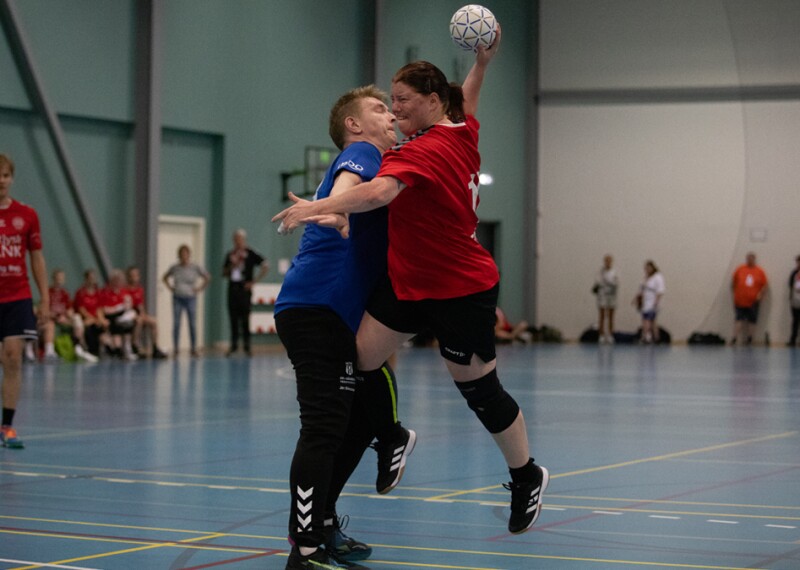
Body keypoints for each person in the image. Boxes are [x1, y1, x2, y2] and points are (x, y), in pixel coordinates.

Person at [274, 27, 550, 537]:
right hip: (408, 283)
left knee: (480, 391)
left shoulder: (420, 152)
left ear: (430, 102)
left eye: (401, 101)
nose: (394, 107)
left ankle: (525, 473)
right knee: (358, 362)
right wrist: (483, 64)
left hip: (460, 288)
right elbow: (463, 98)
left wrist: (320, 207)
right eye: (388, 101)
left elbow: (377, 193)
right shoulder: (459, 127)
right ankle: (390, 435)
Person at [275, 85, 414, 570]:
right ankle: (305, 549)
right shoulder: (361, 153)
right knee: (322, 430)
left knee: (354, 423)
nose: (390, 114)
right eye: (379, 108)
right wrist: (332, 211)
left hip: (335, 312)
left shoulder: (390, 166)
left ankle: (326, 525)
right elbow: (344, 192)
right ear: (354, 125)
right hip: (316, 308)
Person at [0, 153, 49, 449]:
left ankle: (7, 426)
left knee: (14, 356)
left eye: (5, 175)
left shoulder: (27, 215)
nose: (0, 181)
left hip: (17, 295)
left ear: (11, 178)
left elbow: (37, 257)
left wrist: (44, 299)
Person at [222, 229, 268, 356]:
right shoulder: (230, 254)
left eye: (240, 239)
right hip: (233, 288)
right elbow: (224, 273)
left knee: (245, 318)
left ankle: (247, 346)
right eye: (236, 239)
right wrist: (233, 264)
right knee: (233, 318)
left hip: (244, 288)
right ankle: (234, 345)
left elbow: (265, 265)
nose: (238, 241)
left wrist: (254, 281)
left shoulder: (250, 253)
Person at [38, 268, 97, 363]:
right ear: (53, 279)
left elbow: (69, 310)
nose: (60, 280)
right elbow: (44, 309)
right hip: (52, 318)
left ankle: (79, 348)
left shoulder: (65, 293)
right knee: (50, 324)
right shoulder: (48, 292)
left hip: (64, 319)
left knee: (77, 319)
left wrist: (70, 318)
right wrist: (56, 317)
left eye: (61, 278)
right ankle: (49, 352)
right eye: (58, 278)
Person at [162, 245, 210, 357]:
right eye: (181, 254)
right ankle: (176, 348)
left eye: (186, 253)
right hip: (178, 297)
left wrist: (199, 288)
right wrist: (170, 287)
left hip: (190, 297)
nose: (184, 256)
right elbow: (165, 277)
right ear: (179, 255)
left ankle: (193, 348)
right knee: (177, 323)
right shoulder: (174, 267)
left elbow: (207, 277)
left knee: (192, 323)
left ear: (189, 255)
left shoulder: (195, 267)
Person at [125, 266, 167, 359]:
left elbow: (140, 305)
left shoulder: (139, 289)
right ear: (128, 277)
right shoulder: (125, 290)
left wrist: (144, 314)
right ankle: (135, 346)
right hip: (129, 314)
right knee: (139, 321)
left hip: (138, 313)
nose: (135, 278)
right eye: (132, 276)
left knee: (153, 321)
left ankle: (155, 347)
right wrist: (136, 315)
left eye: (136, 275)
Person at [99, 269, 138, 360]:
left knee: (132, 318)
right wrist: (117, 308)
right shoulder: (106, 292)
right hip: (111, 317)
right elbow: (104, 309)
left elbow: (129, 305)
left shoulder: (124, 292)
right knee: (115, 328)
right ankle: (115, 348)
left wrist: (125, 308)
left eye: (119, 280)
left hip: (122, 315)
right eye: (115, 280)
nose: (118, 282)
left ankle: (129, 347)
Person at [731, 252, 768, 346]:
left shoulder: (759, 271)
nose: (749, 260)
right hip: (740, 300)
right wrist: (735, 294)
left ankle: (750, 338)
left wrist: (760, 295)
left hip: (753, 301)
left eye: (751, 259)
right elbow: (733, 283)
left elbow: (764, 285)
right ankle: (734, 338)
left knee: (752, 320)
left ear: (754, 259)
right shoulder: (740, 269)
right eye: (748, 258)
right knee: (738, 319)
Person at [73, 269, 108, 357]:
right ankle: (85, 348)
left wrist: (100, 319)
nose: (92, 280)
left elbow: (99, 308)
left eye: (94, 278)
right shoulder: (81, 292)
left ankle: (105, 348)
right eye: (90, 278)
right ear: (86, 279)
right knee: (88, 324)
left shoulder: (98, 292)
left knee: (104, 324)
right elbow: (81, 310)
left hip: (95, 318)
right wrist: (92, 318)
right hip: (85, 318)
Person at [635, 260, 665, 344]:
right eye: (646, 268)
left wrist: (656, 302)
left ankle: (646, 337)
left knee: (647, 319)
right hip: (645, 301)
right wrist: (637, 299)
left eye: (649, 268)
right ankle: (656, 337)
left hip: (653, 301)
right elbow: (641, 289)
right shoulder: (646, 278)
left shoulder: (658, 277)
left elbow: (660, 291)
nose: (647, 270)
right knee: (652, 321)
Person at [593, 254, 618, 344]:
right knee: (602, 315)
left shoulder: (614, 272)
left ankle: (610, 335)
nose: (607, 262)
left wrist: (609, 282)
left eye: (609, 261)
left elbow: (616, 283)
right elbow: (597, 282)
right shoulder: (600, 272)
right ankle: (601, 335)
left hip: (611, 295)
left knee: (611, 316)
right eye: (606, 261)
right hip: (602, 295)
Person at [787, 255, 800, 347]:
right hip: (795, 300)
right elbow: (790, 285)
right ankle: (793, 340)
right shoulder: (794, 273)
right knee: (795, 321)